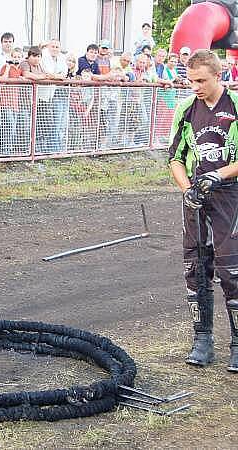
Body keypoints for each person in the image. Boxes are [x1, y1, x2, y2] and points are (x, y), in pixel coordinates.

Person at [168, 49, 238, 372]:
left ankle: (237, 343)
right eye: (190, 80)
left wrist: (219, 174)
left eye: (201, 80)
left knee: (232, 270)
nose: (194, 86)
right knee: (196, 267)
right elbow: (175, 158)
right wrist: (188, 191)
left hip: (229, 197)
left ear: (218, 76)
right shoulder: (185, 110)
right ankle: (202, 339)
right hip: (196, 199)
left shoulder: (235, 106)